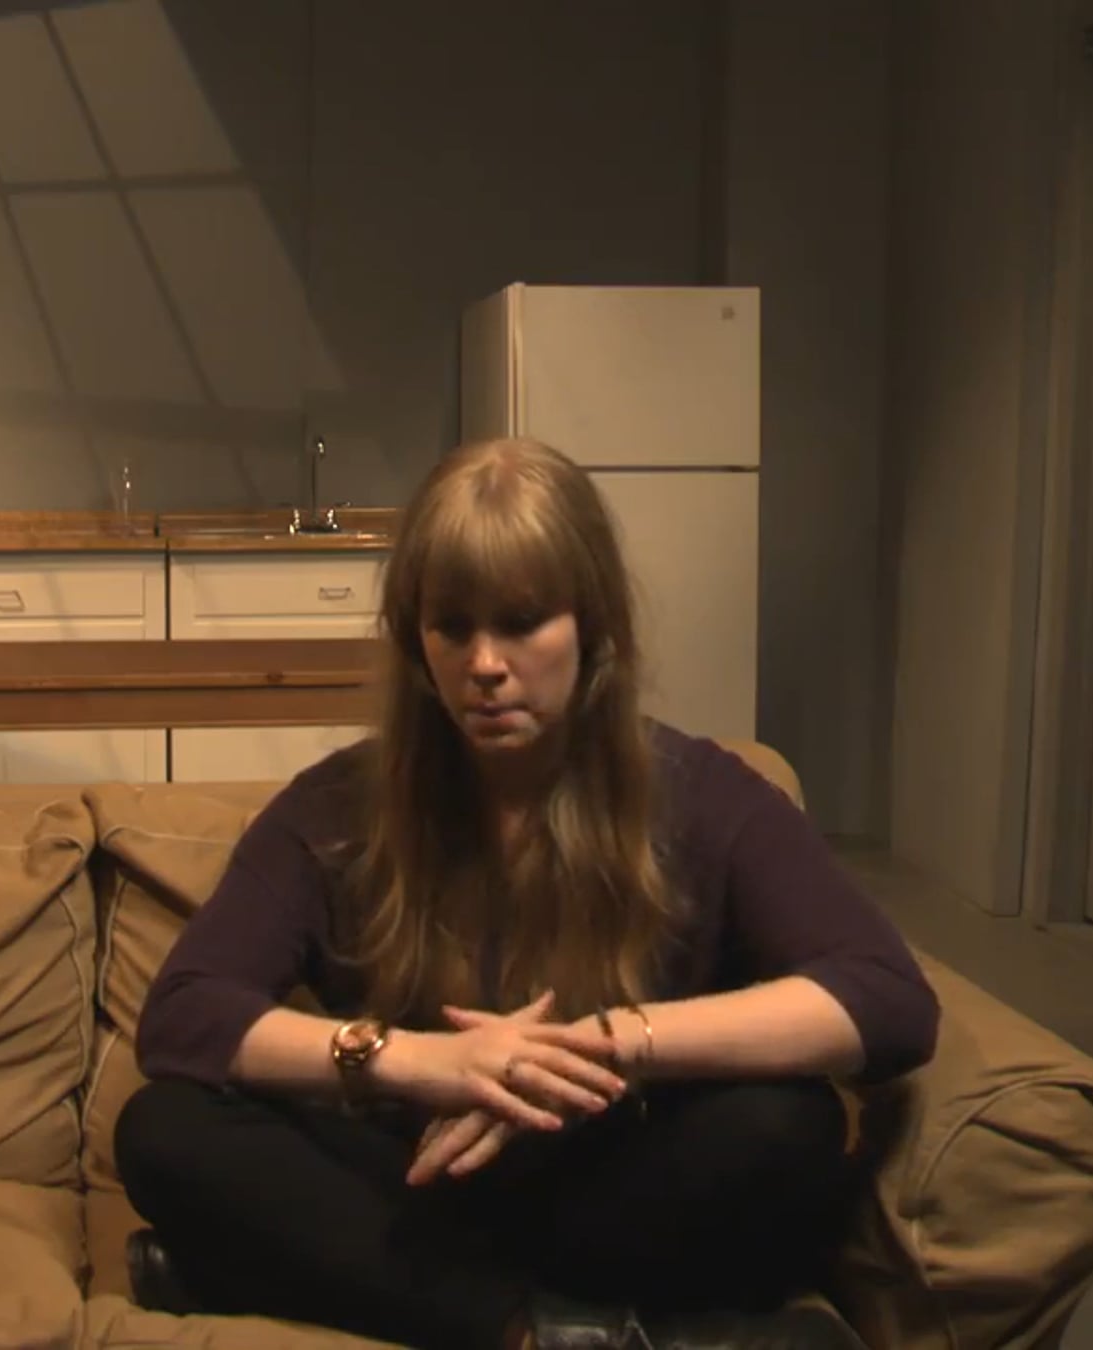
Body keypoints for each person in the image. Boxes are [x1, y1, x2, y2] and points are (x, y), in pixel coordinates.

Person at [115, 439, 941, 1350]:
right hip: (421, 1180)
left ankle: (287, 1281)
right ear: (415, 642)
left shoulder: (702, 793)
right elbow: (186, 1016)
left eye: (521, 622)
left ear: (593, 625)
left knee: (787, 1126)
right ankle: (546, 1332)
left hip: (617, 1178)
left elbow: (886, 998)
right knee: (166, 1128)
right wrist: (423, 1062)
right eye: (452, 627)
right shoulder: (337, 807)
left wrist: (610, 1044)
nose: (485, 663)